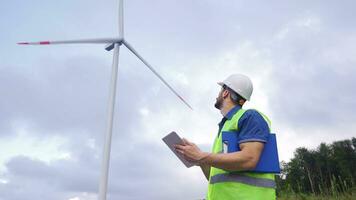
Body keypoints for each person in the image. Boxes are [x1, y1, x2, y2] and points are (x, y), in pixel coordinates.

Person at [175, 74, 276, 200]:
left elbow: (250, 158)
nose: (218, 94)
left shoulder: (250, 117)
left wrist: (201, 156)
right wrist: (200, 161)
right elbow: (215, 177)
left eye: (220, 90)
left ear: (225, 93)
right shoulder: (226, 126)